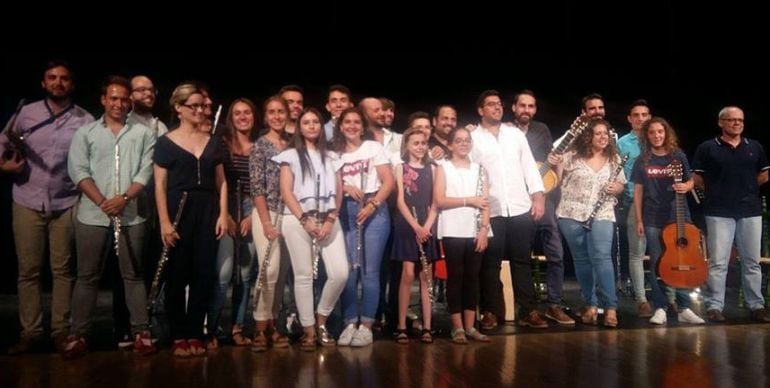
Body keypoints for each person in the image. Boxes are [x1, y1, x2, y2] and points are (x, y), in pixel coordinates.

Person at [1, 60, 94, 355]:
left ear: (72, 84)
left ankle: (60, 331)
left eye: (64, 78)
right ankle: (30, 332)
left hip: (66, 201)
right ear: (43, 83)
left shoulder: (85, 119)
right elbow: (2, 144)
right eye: (52, 78)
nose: (58, 83)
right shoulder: (25, 113)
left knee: (63, 270)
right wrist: (5, 165)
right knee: (28, 270)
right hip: (27, 198)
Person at [62, 76, 157, 358]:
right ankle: (78, 335)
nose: (118, 103)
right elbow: (78, 171)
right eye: (113, 98)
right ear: (103, 100)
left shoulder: (142, 133)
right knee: (87, 277)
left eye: (123, 99)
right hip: (93, 215)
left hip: (131, 215)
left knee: (133, 276)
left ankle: (141, 331)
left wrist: (124, 198)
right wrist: (104, 202)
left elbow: (146, 171)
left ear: (130, 101)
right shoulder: (86, 133)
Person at [153, 83, 229, 357]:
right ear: (178, 108)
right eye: (193, 106)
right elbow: (159, 185)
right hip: (179, 209)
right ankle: (178, 334)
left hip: (208, 210)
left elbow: (221, 182)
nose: (199, 110)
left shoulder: (213, 141)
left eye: (201, 105)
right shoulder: (165, 142)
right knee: (177, 274)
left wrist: (223, 214)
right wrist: (164, 221)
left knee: (204, 274)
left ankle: (196, 332)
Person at [470, 90, 547, 329]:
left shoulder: (514, 135)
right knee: (490, 264)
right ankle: (491, 311)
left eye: (499, 104)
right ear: (481, 110)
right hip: (490, 209)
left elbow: (529, 167)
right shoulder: (473, 137)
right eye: (491, 104)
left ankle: (529, 310)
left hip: (520, 206)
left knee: (522, 261)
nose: (497, 108)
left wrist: (538, 197)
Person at [274, 107, 348, 351]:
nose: (312, 126)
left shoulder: (333, 157)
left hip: (327, 218)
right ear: (299, 127)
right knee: (303, 275)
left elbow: (338, 192)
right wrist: (304, 218)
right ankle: (307, 330)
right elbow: (286, 191)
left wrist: (329, 219)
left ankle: (321, 321)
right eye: (306, 122)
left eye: (316, 121)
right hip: (298, 219)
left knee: (340, 272)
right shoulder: (290, 155)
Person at [693, 106, 770, 322]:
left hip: (749, 210)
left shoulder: (753, 147)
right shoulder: (708, 147)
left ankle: (756, 305)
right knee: (719, 261)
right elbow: (697, 176)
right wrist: (716, 191)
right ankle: (715, 306)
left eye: (740, 120)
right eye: (732, 120)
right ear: (721, 123)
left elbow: (765, 172)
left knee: (752, 261)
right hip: (719, 210)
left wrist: (749, 188)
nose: (736, 123)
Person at [550, 118, 624, 328]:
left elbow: (621, 184)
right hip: (571, 212)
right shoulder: (572, 156)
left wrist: (615, 188)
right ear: (588, 136)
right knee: (582, 260)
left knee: (601, 257)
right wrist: (556, 162)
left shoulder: (614, 158)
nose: (603, 137)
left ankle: (610, 307)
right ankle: (590, 304)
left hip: (602, 212)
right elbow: (556, 178)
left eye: (606, 133)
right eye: (598, 133)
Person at [632, 117, 705, 325]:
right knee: (657, 263)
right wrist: (638, 219)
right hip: (653, 217)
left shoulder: (678, 156)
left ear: (666, 133)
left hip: (679, 217)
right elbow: (638, 191)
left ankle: (683, 307)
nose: (657, 135)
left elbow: (691, 180)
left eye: (660, 132)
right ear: (647, 135)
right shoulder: (643, 160)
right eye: (652, 132)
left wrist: (688, 186)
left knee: (683, 260)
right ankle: (661, 307)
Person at [333, 107, 395, 347]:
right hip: (346, 210)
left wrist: (373, 204)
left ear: (362, 125)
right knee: (349, 271)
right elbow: (333, 183)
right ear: (340, 125)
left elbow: (388, 181)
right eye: (347, 122)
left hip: (374, 209)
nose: (351, 126)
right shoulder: (334, 154)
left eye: (356, 122)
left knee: (369, 271)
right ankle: (349, 321)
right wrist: (346, 188)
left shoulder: (373, 148)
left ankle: (367, 325)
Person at [512, 89, 574, 326]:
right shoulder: (506, 132)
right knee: (521, 256)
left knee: (556, 253)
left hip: (543, 196)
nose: (526, 110)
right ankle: (527, 308)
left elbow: (549, 160)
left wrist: (556, 163)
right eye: (522, 105)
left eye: (531, 106)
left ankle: (554, 305)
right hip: (518, 200)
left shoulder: (542, 130)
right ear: (514, 108)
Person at [206, 98, 259, 348]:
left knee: (245, 274)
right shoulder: (222, 144)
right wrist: (225, 214)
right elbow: (217, 182)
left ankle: (237, 327)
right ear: (230, 117)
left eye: (247, 112)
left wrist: (252, 216)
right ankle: (213, 328)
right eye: (237, 113)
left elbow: (263, 186)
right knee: (224, 273)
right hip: (225, 206)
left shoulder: (259, 146)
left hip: (251, 207)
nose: (242, 117)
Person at [434, 127, 492, 344]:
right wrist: (469, 200)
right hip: (452, 229)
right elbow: (439, 200)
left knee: (473, 278)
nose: (463, 144)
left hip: (476, 230)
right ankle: (457, 327)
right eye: (458, 141)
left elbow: (485, 202)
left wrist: (484, 229)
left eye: (467, 140)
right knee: (456, 278)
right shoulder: (443, 168)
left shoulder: (480, 169)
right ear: (450, 145)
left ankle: (470, 326)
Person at [249, 95, 292, 351]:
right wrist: (265, 222)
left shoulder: (293, 144)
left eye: (281, 111)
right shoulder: (260, 146)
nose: (277, 116)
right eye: (272, 112)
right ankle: (259, 326)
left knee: (282, 272)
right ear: (265, 117)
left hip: (290, 215)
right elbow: (257, 188)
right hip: (268, 213)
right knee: (269, 270)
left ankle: (273, 323)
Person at [392, 128, 438, 344]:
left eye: (423, 143)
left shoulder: (433, 169)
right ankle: (401, 325)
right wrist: (415, 227)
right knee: (408, 273)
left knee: (425, 275)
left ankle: (428, 325)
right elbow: (400, 200)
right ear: (407, 146)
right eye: (415, 143)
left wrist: (426, 227)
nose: (420, 146)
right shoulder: (400, 168)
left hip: (427, 224)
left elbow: (436, 202)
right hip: (407, 224)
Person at [617, 99, 653, 317]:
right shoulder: (622, 143)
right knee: (637, 253)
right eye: (636, 115)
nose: (641, 118)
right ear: (630, 119)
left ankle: (670, 298)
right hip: (633, 202)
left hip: (659, 203)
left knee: (662, 252)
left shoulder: (658, 138)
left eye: (645, 114)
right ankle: (641, 300)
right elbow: (619, 173)